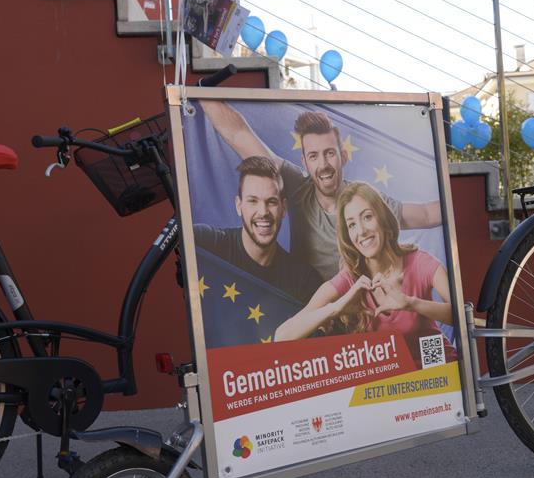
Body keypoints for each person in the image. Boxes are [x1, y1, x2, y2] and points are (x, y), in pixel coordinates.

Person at [198, 100, 442, 280]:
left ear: (343, 156)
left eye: (329, 153)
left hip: (359, 315)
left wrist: (460, 207)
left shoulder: (364, 200)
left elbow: (426, 214)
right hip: (307, 309)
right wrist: (198, 93)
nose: (323, 164)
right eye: (314, 156)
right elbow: (238, 134)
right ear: (305, 162)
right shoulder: (296, 185)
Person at [274, 182, 451, 341]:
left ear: (382, 218)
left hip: (436, 362)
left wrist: (412, 304)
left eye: (367, 217)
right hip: (392, 368)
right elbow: (282, 336)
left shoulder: (420, 262)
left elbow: (460, 313)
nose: (361, 231)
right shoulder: (350, 279)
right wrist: (335, 309)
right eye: (352, 225)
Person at [193, 156, 322, 303]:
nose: (263, 212)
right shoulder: (207, 243)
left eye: (271, 202)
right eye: (253, 201)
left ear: (284, 208)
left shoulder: (303, 280)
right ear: (239, 206)